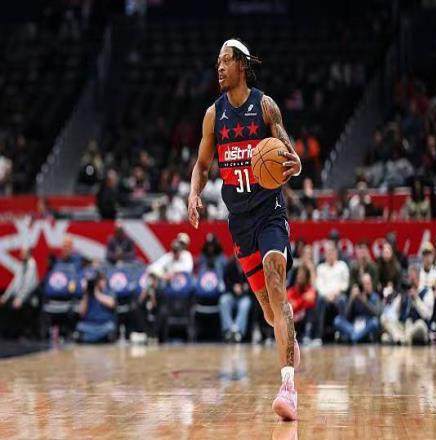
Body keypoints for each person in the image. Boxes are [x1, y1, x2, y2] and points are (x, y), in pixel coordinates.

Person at [188, 38, 302, 420]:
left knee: (275, 282)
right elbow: (202, 165)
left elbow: (288, 152)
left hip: (270, 212)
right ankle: (289, 337)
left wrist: (295, 162)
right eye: (217, 62)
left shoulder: (265, 106)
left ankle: (288, 388)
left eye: (225, 61)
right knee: (269, 310)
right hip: (239, 220)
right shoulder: (213, 115)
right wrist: (193, 194)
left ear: (241, 64)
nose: (219, 67)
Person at [313, 242, 350, 344]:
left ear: (336, 254)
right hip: (325, 296)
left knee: (343, 300)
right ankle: (319, 335)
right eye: (328, 252)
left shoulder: (342, 266)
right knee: (319, 300)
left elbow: (345, 284)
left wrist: (336, 293)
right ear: (325, 254)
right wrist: (327, 295)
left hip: (338, 294)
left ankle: (343, 335)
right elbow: (319, 285)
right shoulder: (321, 268)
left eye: (332, 252)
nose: (330, 255)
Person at [0, 248, 38, 338]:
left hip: (30, 298)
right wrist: (4, 297)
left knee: (14, 307)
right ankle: (6, 333)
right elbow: (14, 283)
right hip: (19, 296)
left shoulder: (32, 265)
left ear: (29, 254)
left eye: (23, 253)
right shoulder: (22, 265)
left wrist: (20, 299)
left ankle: (15, 333)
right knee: (4, 305)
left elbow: (28, 286)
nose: (21, 255)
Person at [334, 274, 381, 343]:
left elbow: (376, 314)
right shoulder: (354, 297)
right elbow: (346, 316)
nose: (367, 286)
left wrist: (364, 301)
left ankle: (354, 336)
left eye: (369, 283)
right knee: (337, 320)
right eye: (365, 284)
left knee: (375, 322)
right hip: (353, 325)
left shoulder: (374, 297)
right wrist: (352, 299)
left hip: (366, 326)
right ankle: (356, 335)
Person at [75, 271, 116, 343]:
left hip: (104, 325)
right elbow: (82, 313)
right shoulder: (87, 294)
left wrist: (96, 293)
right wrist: (86, 293)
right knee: (80, 327)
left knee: (110, 327)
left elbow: (112, 303)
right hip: (88, 325)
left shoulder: (108, 291)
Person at [219, 256, 252, 343]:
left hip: (244, 296)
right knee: (223, 301)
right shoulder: (230, 265)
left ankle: (238, 331)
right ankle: (229, 330)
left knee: (246, 304)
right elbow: (225, 281)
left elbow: (251, 283)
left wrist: (244, 287)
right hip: (231, 295)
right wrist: (233, 287)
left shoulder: (249, 264)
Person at [287, 265, 316, 342]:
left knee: (310, 310)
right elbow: (292, 305)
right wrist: (303, 299)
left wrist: (298, 303)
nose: (299, 276)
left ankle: (307, 335)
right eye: (298, 274)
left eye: (302, 274)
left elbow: (311, 302)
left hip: (305, 319)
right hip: (294, 320)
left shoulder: (310, 289)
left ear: (307, 276)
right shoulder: (292, 290)